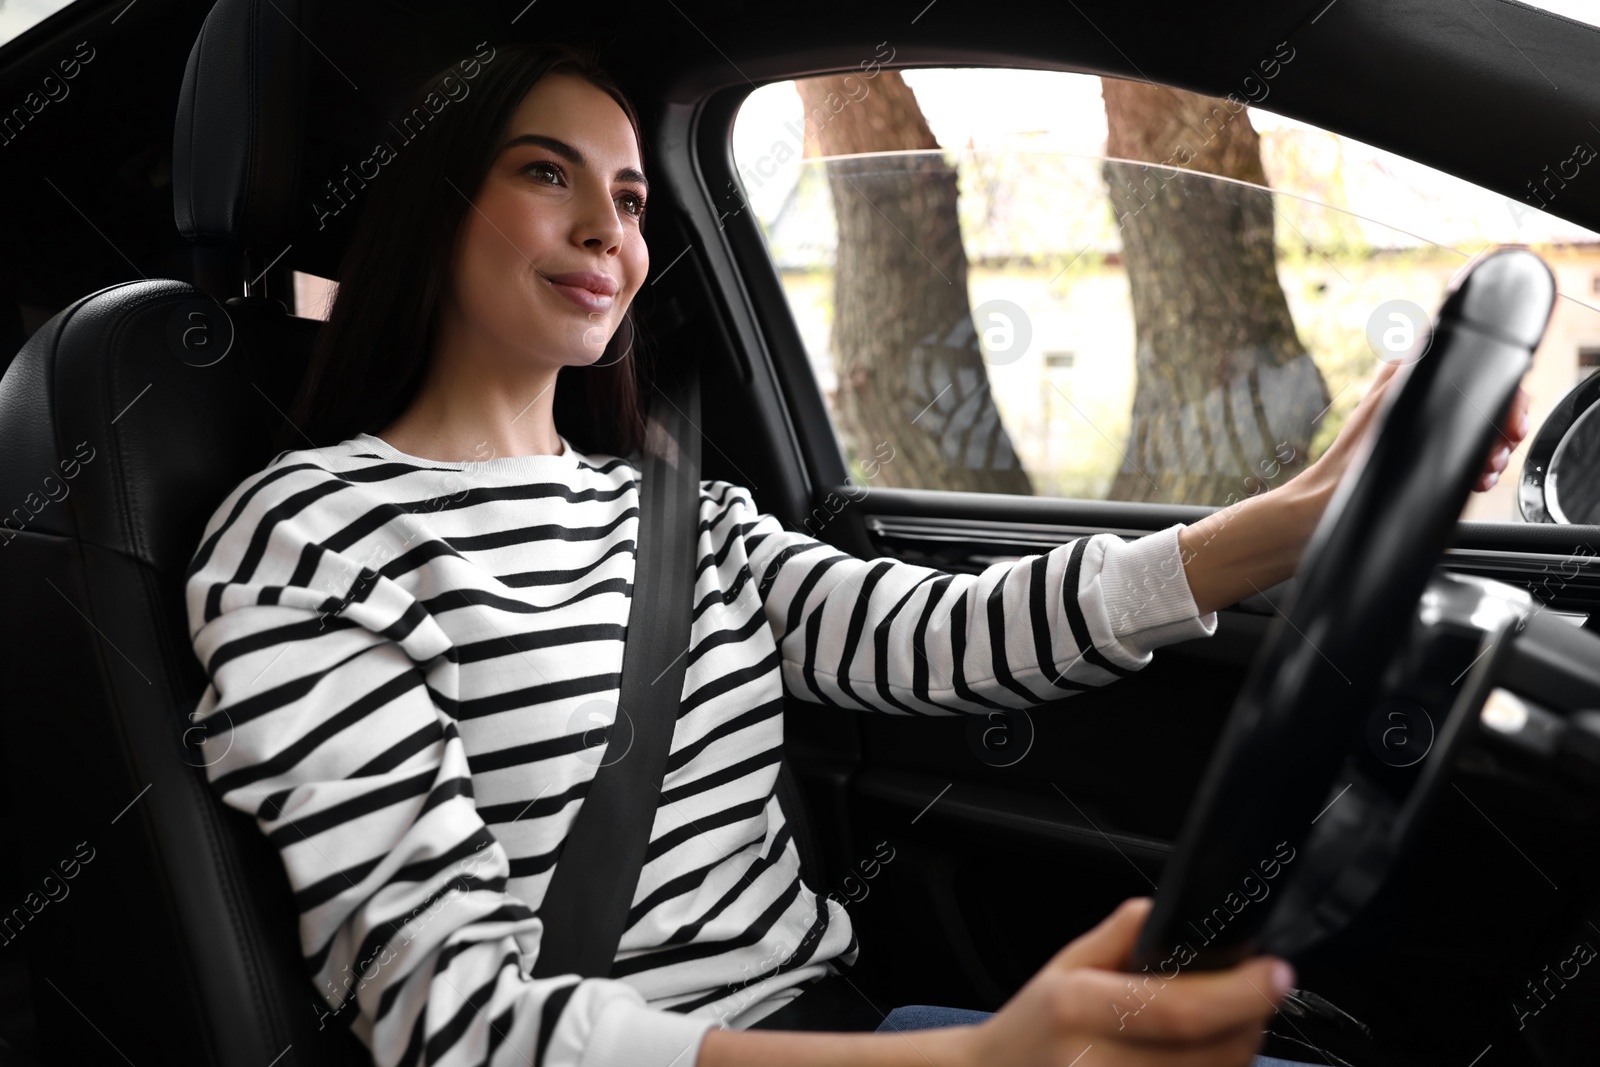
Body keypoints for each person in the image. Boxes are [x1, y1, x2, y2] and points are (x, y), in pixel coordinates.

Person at [183, 40, 1528, 1067]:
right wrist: (976, 1059)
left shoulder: (679, 516)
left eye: (636, 197)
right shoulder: (310, 538)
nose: (611, 229)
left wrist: (1291, 520)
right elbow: (454, 1019)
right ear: (429, 205)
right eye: (548, 172)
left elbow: (950, 637)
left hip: (842, 1031)